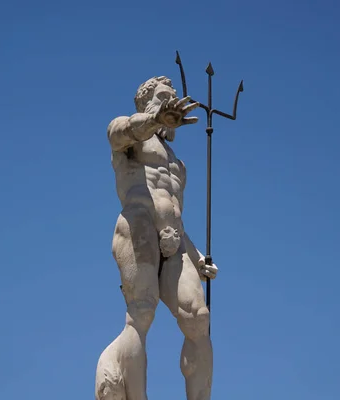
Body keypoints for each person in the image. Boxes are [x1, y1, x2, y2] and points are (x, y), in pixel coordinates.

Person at [95, 76, 218, 400]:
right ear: (144, 102)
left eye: (173, 99)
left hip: (174, 242)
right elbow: (118, 133)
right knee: (142, 312)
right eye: (163, 97)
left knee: (198, 319)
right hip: (137, 226)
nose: (170, 104)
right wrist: (153, 120)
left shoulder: (179, 166)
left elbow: (174, 215)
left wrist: (197, 257)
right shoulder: (131, 136)